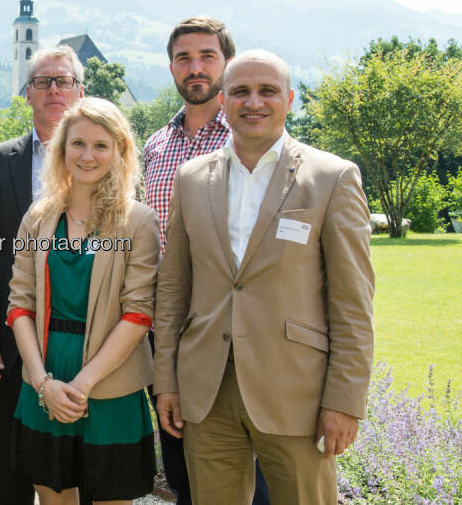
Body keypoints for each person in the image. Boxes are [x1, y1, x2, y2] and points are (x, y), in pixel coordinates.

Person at [153, 50, 375, 504]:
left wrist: (345, 400)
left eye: (268, 90)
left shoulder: (332, 178)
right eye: (240, 91)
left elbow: (353, 303)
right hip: (207, 391)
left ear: (289, 99)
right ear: (223, 100)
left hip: (298, 394)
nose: (254, 101)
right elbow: (174, 288)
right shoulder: (192, 178)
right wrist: (167, 381)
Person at [143, 16, 270, 504]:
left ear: (227, 63)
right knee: (181, 467)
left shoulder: (251, 138)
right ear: (172, 68)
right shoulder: (156, 144)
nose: (195, 68)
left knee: (246, 472)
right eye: (184, 59)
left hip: (234, 330)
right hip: (167, 330)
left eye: (207, 57)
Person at [7, 97, 158, 505]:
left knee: (112, 498)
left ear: (120, 152)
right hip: (46, 377)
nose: (87, 156)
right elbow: (19, 305)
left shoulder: (138, 221)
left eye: (101, 145)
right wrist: (43, 384)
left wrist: (81, 385)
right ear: (61, 149)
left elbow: (139, 312)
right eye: (77, 144)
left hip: (110, 384)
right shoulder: (39, 217)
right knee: (53, 497)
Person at [0, 46, 84, 505]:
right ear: (27, 92)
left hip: (83, 337)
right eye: (43, 82)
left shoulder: (102, 158)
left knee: (76, 463)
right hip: (10, 337)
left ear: (79, 91)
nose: (54, 90)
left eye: (63, 81)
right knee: (11, 467)